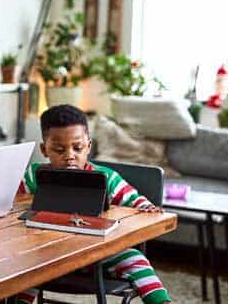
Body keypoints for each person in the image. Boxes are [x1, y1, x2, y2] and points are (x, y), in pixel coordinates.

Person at [18, 104, 171, 304]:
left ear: (88, 147)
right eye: (59, 149)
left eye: (77, 148)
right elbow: (11, 202)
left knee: (135, 259)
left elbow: (137, 202)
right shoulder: (34, 175)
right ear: (44, 149)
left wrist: (145, 207)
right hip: (46, 256)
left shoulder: (107, 178)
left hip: (97, 257)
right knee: (22, 269)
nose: (69, 156)